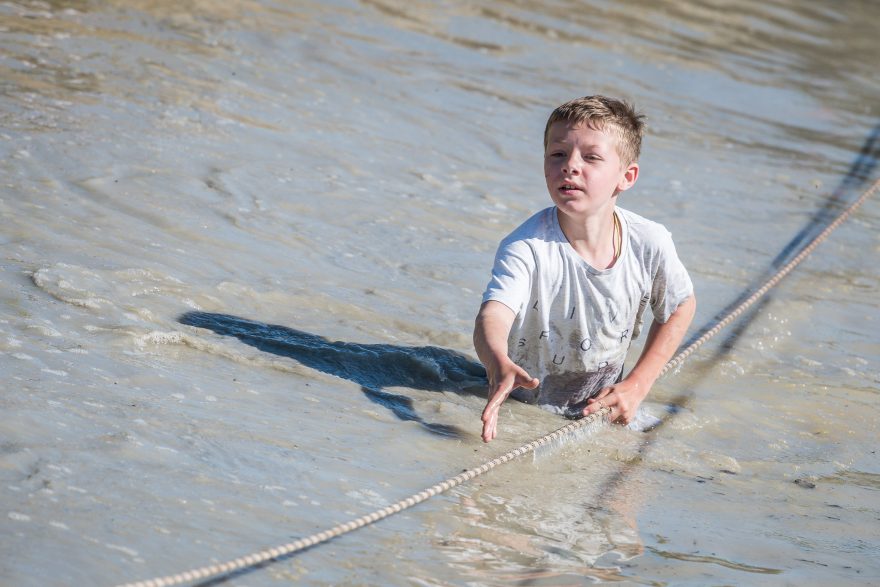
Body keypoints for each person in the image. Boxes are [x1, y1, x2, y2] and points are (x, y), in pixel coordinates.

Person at [474, 95, 696, 443]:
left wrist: (637, 385)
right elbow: (494, 314)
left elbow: (681, 305)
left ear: (627, 176)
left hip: (603, 408)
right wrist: (496, 359)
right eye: (557, 154)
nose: (570, 166)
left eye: (591, 157)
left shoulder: (649, 242)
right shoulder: (527, 247)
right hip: (525, 407)